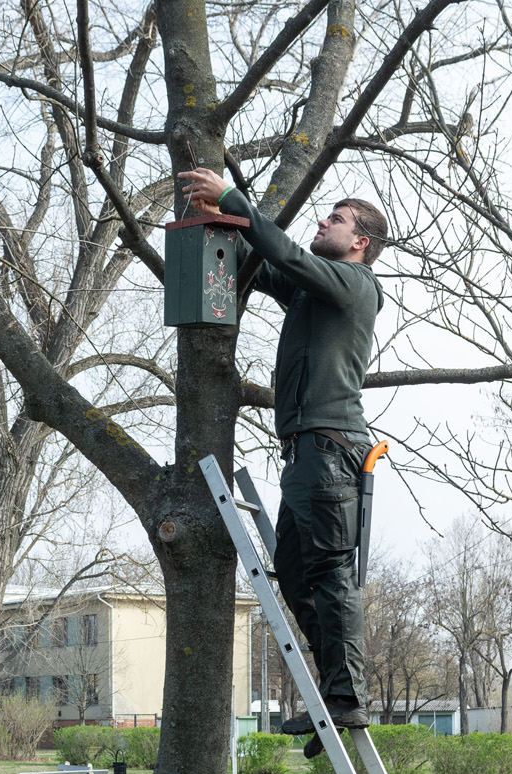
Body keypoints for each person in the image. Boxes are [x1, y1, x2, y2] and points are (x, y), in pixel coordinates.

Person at [177, 166, 387, 744]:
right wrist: (219, 223)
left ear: (360, 243)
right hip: (304, 455)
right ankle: (335, 693)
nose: (323, 220)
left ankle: (348, 697)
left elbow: (290, 257)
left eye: (336, 219)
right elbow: (270, 266)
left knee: (329, 573)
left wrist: (236, 200)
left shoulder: (355, 284)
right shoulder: (314, 291)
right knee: (295, 576)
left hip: (331, 448)